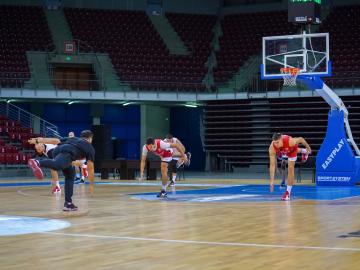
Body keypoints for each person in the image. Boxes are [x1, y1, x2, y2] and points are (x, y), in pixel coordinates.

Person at [28, 130, 95, 211]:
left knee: (70, 176)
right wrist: (91, 184)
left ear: (81, 136)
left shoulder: (74, 139)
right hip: (67, 153)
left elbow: (55, 140)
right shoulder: (90, 147)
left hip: (56, 151)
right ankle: (37, 162)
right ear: (90, 138)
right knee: (57, 165)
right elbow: (90, 168)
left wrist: (37, 140)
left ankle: (68, 203)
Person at [269, 133, 311, 201]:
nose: (276, 144)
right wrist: (271, 181)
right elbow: (272, 165)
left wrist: (309, 148)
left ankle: (287, 193)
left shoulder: (290, 141)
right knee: (282, 156)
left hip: (292, 149)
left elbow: (301, 139)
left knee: (290, 168)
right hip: (284, 151)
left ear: (281, 139)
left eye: (277, 142)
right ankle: (304, 151)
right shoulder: (272, 147)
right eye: (274, 142)